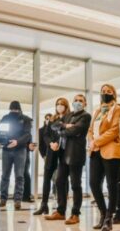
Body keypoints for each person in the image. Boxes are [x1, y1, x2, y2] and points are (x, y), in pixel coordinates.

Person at [45, 94, 92, 225]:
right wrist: (66, 126)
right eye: (76, 100)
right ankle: (60, 211)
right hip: (63, 154)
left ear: (85, 104)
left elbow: (76, 130)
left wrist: (64, 128)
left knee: (75, 185)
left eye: (80, 101)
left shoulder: (86, 116)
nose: (78, 102)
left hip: (76, 155)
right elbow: (54, 125)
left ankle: (75, 214)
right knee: (60, 182)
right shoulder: (69, 115)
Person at [88, 84, 120, 231]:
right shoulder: (97, 110)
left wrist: (96, 141)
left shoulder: (118, 109)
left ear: (114, 94)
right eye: (103, 91)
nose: (105, 93)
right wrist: (91, 141)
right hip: (95, 151)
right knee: (93, 183)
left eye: (109, 91)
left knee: (112, 185)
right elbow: (90, 130)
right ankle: (103, 213)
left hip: (111, 151)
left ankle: (109, 218)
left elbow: (115, 130)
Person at [34, 101, 70, 215]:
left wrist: (58, 143)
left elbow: (68, 133)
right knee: (46, 179)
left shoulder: (69, 119)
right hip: (51, 151)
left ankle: (61, 206)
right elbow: (46, 134)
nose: (59, 106)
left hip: (63, 152)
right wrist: (51, 144)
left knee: (61, 180)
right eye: (57, 104)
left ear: (66, 106)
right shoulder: (52, 119)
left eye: (62, 104)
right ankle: (44, 205)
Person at [0, 101, 32, 210]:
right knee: (5, 175)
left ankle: (18, 200)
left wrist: (17, 142)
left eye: (15, 110)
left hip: (20, 150)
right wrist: (2, 138)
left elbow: (27, 135)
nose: (13, 111)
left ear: (19, 109)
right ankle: (3, 199)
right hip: (6, 149)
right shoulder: (5, 118)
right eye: (12, 110)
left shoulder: (26, 119)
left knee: (19, 176)